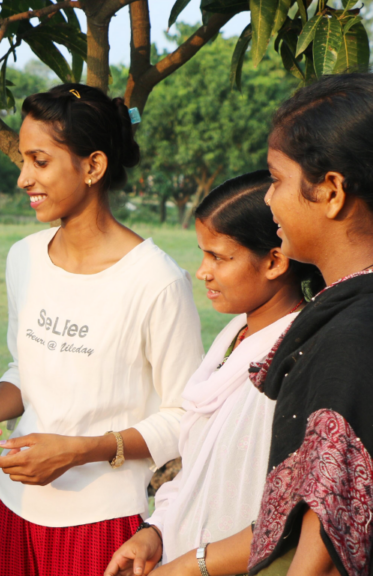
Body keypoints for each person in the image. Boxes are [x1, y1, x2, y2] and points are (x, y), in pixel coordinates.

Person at [0, 83, 204, 576]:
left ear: (92, 166)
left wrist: (80, 451)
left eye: (39, 161)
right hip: (11, 509)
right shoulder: (23, 257)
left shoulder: (156, 280)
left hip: (102, 526)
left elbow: (184, 419)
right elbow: (25, 370)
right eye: (23, 160)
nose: (24, 178)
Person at [103, 171, 323, 576]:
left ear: (274, 261)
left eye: (219, 257)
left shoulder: (296, 358)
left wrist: (193, 565)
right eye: (203, 254)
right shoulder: (233, 336)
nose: (203, 271)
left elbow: (290, 518)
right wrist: (155, 531)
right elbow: (199, 467)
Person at [246, 73, 373, 576]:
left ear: (331, 191)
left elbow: (324, 541)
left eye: (276, 179)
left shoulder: (352, 337)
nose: (268, 199)